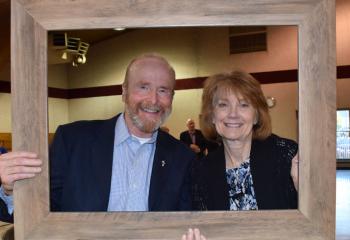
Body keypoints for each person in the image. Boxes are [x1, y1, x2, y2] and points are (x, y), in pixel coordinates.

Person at [0, 54, 195, 222]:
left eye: (163, 90)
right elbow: (41, 211)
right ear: (124, 92)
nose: (153, 100)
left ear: (172, 97)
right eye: (143, 87)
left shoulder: (183, 158)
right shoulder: (72, 141)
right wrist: (13, 191)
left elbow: (185, 222)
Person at [193, 70, 299, 211]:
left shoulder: (286, 155)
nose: (233, 114)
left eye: (243, 105)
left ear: (256, 116)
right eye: (223, 105)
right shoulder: (202, 170)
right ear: (212, 115)